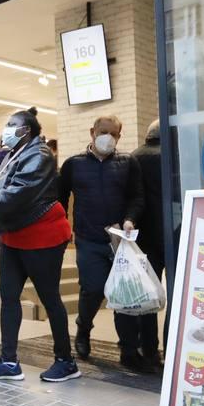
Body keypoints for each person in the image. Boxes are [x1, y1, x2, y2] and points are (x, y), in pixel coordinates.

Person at [0, 109, 78, 383]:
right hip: (15, 234)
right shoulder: (14, 155)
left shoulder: (40, 155)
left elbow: (17, 194)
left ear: (28, 130)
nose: (7, 129)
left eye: (13, 125)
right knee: (9, 298)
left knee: (49, 298)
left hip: (42, 234)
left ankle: (66, 361)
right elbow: (2, 192)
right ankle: (9, 361)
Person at [58, 116, 146, 369]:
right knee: (93, 290)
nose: (108, 137)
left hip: (121, 241)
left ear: (120, 136)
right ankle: (83, 329)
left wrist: (130, 219)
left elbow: (137, 197)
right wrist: (63, 228)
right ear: (92, 132)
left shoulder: (128, 162)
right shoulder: (73, 165)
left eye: (113, 134)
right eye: (103, 132)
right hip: (89, 239)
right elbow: (59, 200)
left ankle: (129, 349)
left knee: (125, 293)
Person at [129, 119, 167, 368]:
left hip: (142, 237)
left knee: (146, 296)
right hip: (171, 235)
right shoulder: (172, 155)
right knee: (173, 295)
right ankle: (172, 346)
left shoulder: (133, 157)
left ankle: (149, 349)